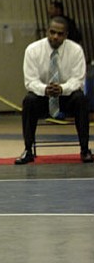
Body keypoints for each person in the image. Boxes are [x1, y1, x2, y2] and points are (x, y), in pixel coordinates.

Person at [15, 17, 92, 165]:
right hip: (43, 97)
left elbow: (78, 80)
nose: (55, 36)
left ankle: (85, 149)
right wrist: (45, 89)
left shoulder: (76, 50)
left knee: (81, 99)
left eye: (60, 34)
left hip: (66, 97)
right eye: (52, 32)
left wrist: (62, 88)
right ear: (47, 31)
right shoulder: (32, 50)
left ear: (66, 35)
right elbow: (30, 81)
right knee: (29, 101)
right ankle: (28, 150)